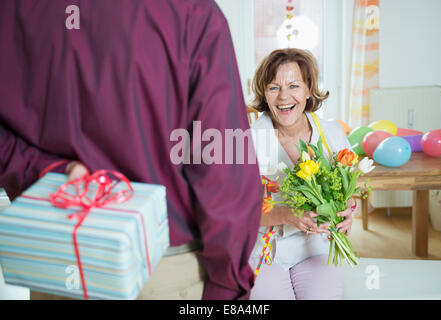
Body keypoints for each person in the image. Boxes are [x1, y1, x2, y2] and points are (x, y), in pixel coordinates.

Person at [0, 0, 262, 300]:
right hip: (162, 272)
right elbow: (225, 167)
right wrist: (228, 287)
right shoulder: (192, 12)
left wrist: (44, 170)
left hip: (60, 270)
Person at [248, 48, 354, 300]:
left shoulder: (332, 135)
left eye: (294, 85)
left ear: (308, 89)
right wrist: (288, 214)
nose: (284, 96)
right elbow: (235, 213)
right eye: (274, 88)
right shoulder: (246, 140)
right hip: (263, 249)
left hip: (316, 246)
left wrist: (348, 210)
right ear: (264, 93)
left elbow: (348, 190)